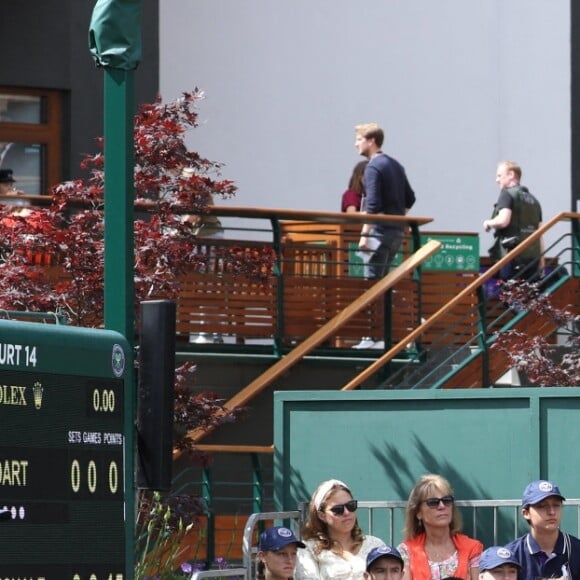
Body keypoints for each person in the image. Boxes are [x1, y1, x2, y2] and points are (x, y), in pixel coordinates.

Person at [355, 123, 416, 279]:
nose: (356, 144)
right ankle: (385, 304)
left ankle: (376, 304)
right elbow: (410, 198)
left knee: (372, 280)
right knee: (383, 281)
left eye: (359, 139)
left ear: (371, 141)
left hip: (379, 231)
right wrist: (396, 218)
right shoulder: (396, 165)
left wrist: (364, 235)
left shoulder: (373, 167)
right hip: (396, 232)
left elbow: (373, 205)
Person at [397, 474, 483, 580]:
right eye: (433, 502)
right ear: (418, 512)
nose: (442, 506)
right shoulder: (406, 551)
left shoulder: (472, 548)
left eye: (446, 500)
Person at [295, 478, 384, 579]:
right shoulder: (309, 549)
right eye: (338, 509)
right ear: (321, 515)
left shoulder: (375, 545)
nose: (346, 512)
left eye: (351, 506)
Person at [504, 479, 580, 580]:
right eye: (542, 506)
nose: (552, 512)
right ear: (526, 513)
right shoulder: (511, 554)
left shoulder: (576, 549)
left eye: (556, 505)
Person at [483, 161, 543, 281]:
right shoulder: (534, 201)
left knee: (510, 294)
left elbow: (503, 221)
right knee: (528, 295)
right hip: (532, 257)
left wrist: (488, 222)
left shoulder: (507, 194)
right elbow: (539, 234)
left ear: (511, 174)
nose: (497, 180)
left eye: (499, 175)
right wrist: (541, 260)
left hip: (512, 256)